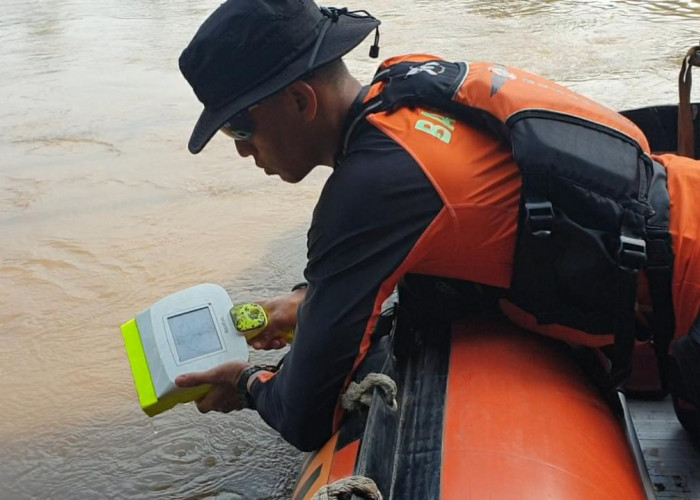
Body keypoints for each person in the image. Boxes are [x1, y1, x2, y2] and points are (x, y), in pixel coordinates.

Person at [174, 0, 700, 451]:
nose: (242, 149)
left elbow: (304, 416)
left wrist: (246, 384)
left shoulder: (368, 191)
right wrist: (312, 300)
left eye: (240, 125)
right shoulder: (408, 80)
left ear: (300, 101)